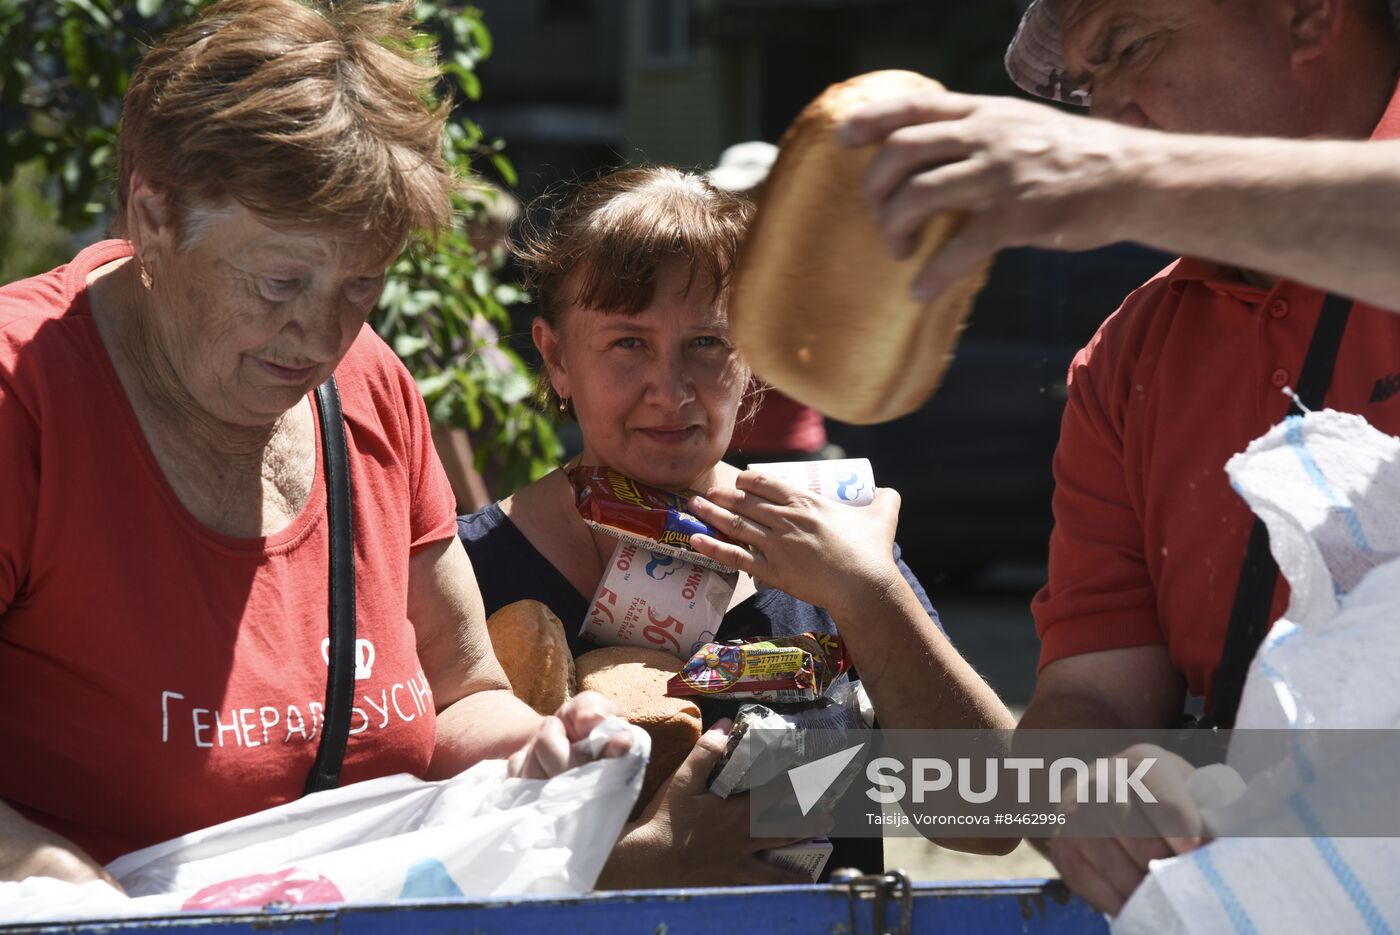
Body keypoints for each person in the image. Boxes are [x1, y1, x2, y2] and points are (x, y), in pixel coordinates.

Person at [0, 0, 624, 888]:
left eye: (360, 285)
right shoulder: (22, 399)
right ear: (154, 214)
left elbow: (460, 698)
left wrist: (544, 754)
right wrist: (66, 889)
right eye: (279, 280)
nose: (319, 335)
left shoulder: (371, 387)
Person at [840, 0, 1400, 915]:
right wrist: (1098, 787)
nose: (1107, 122)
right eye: (1089, 89)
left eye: (1133, 47)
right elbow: (1088, 697)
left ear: (1306, 15)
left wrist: (1128, 179)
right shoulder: (1128, 357)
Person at [458, 166, 1016, 888]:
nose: (672, 388)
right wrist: (640, 864)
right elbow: (428, 861)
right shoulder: (467, 570)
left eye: (708, 342)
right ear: (557, 355)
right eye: (629, 343)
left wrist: (869, 593)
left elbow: (1006, 815)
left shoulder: (833, 538)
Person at [705, 141, 834, 466]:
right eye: (731, 195)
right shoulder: (709, 264)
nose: (741, 205)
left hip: (790, 448)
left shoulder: (808, 266)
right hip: (717, 445)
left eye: (754, 193)